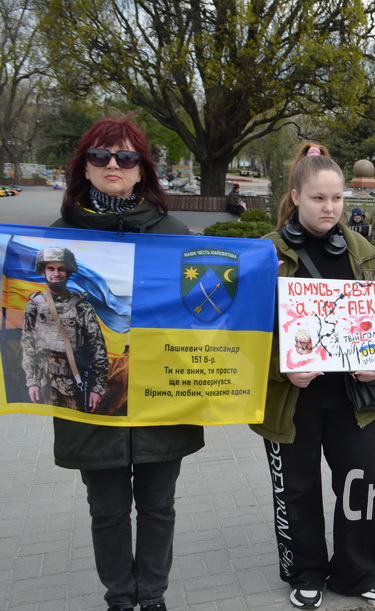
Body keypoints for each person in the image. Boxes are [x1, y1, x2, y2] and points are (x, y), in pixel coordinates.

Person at [51, 116, 203, 611]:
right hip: (93, 403)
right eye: (100, 156)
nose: (112, 164)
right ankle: (120, 598)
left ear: (142, 171)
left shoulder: (175, 235)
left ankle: (152, 596)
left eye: (125, 157)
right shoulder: (59, 243)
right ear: (85, 169)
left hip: (164, 398)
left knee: (159, 508)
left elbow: (211, 319)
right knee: (108, 510)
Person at [250, 143, 375, 608]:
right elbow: (240, 336)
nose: (329, 207)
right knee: (298, 488)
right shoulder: (264, 255)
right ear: (295, 197)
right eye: (318, 198)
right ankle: (306, 571)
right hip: (292, 400)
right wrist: (281, 370)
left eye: (336, 198)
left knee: (369, 481)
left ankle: (357, 572)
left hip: (350, 396)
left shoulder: (363, 252)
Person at [21, 246, 109, 412]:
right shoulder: (34, 305)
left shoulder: (82, 307)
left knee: (78, 430)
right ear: (43, 272)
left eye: (61, 269)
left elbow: (98, 350)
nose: (56, 273)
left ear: (68, 272)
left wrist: (96, 389)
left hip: (76, 385)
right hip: (45, 384)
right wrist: (32, 382)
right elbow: (28, 345)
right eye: (51, 268)